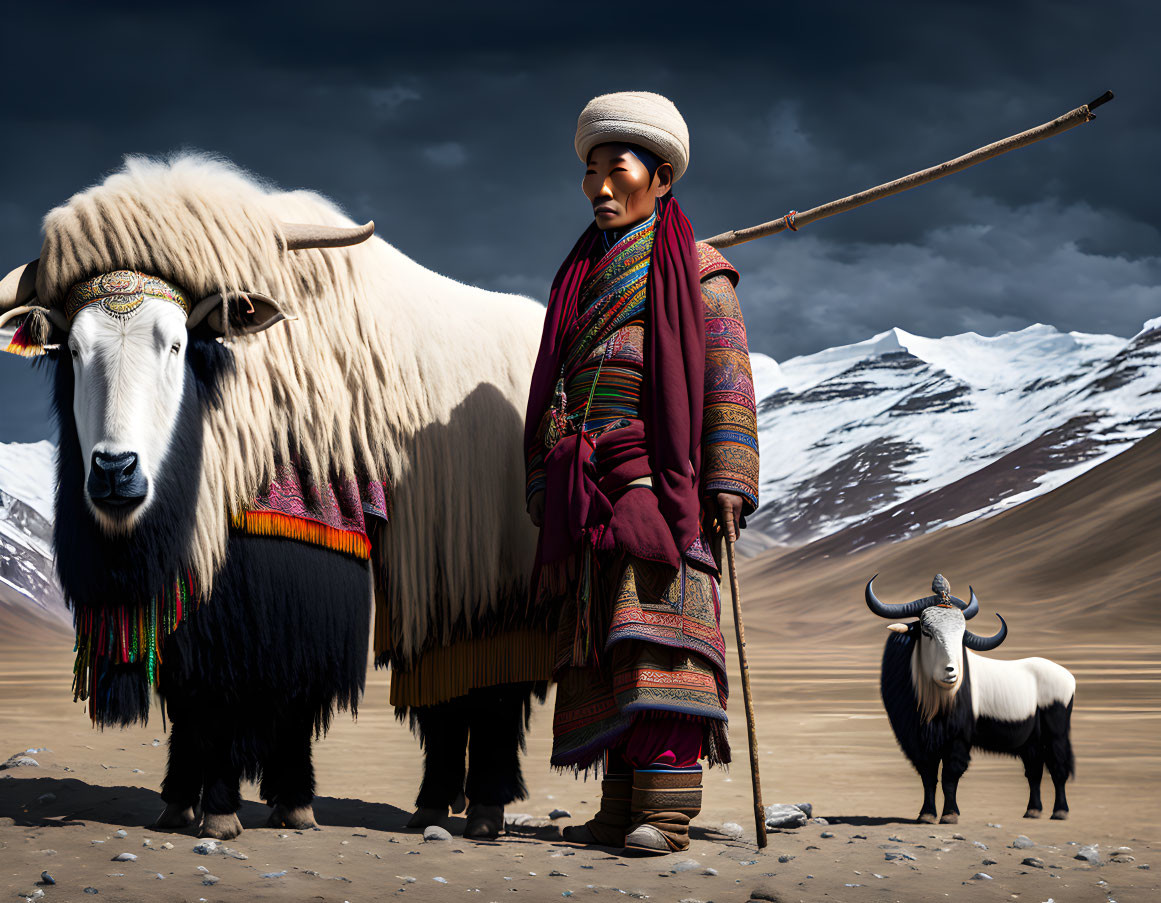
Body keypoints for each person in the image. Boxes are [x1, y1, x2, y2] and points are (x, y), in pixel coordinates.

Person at [524, 91, 759, 854]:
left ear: (659, 178)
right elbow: (558, 377)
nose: (597, 187)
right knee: (602, 645)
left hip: (662, 483)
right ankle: (620, 805)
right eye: (589, 171)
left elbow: (726, 379)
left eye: (614, 168)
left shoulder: (700, 274)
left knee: (659, 635)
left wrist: (727, 478)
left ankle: (666, 811)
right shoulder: (580, 279)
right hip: (587, 487)